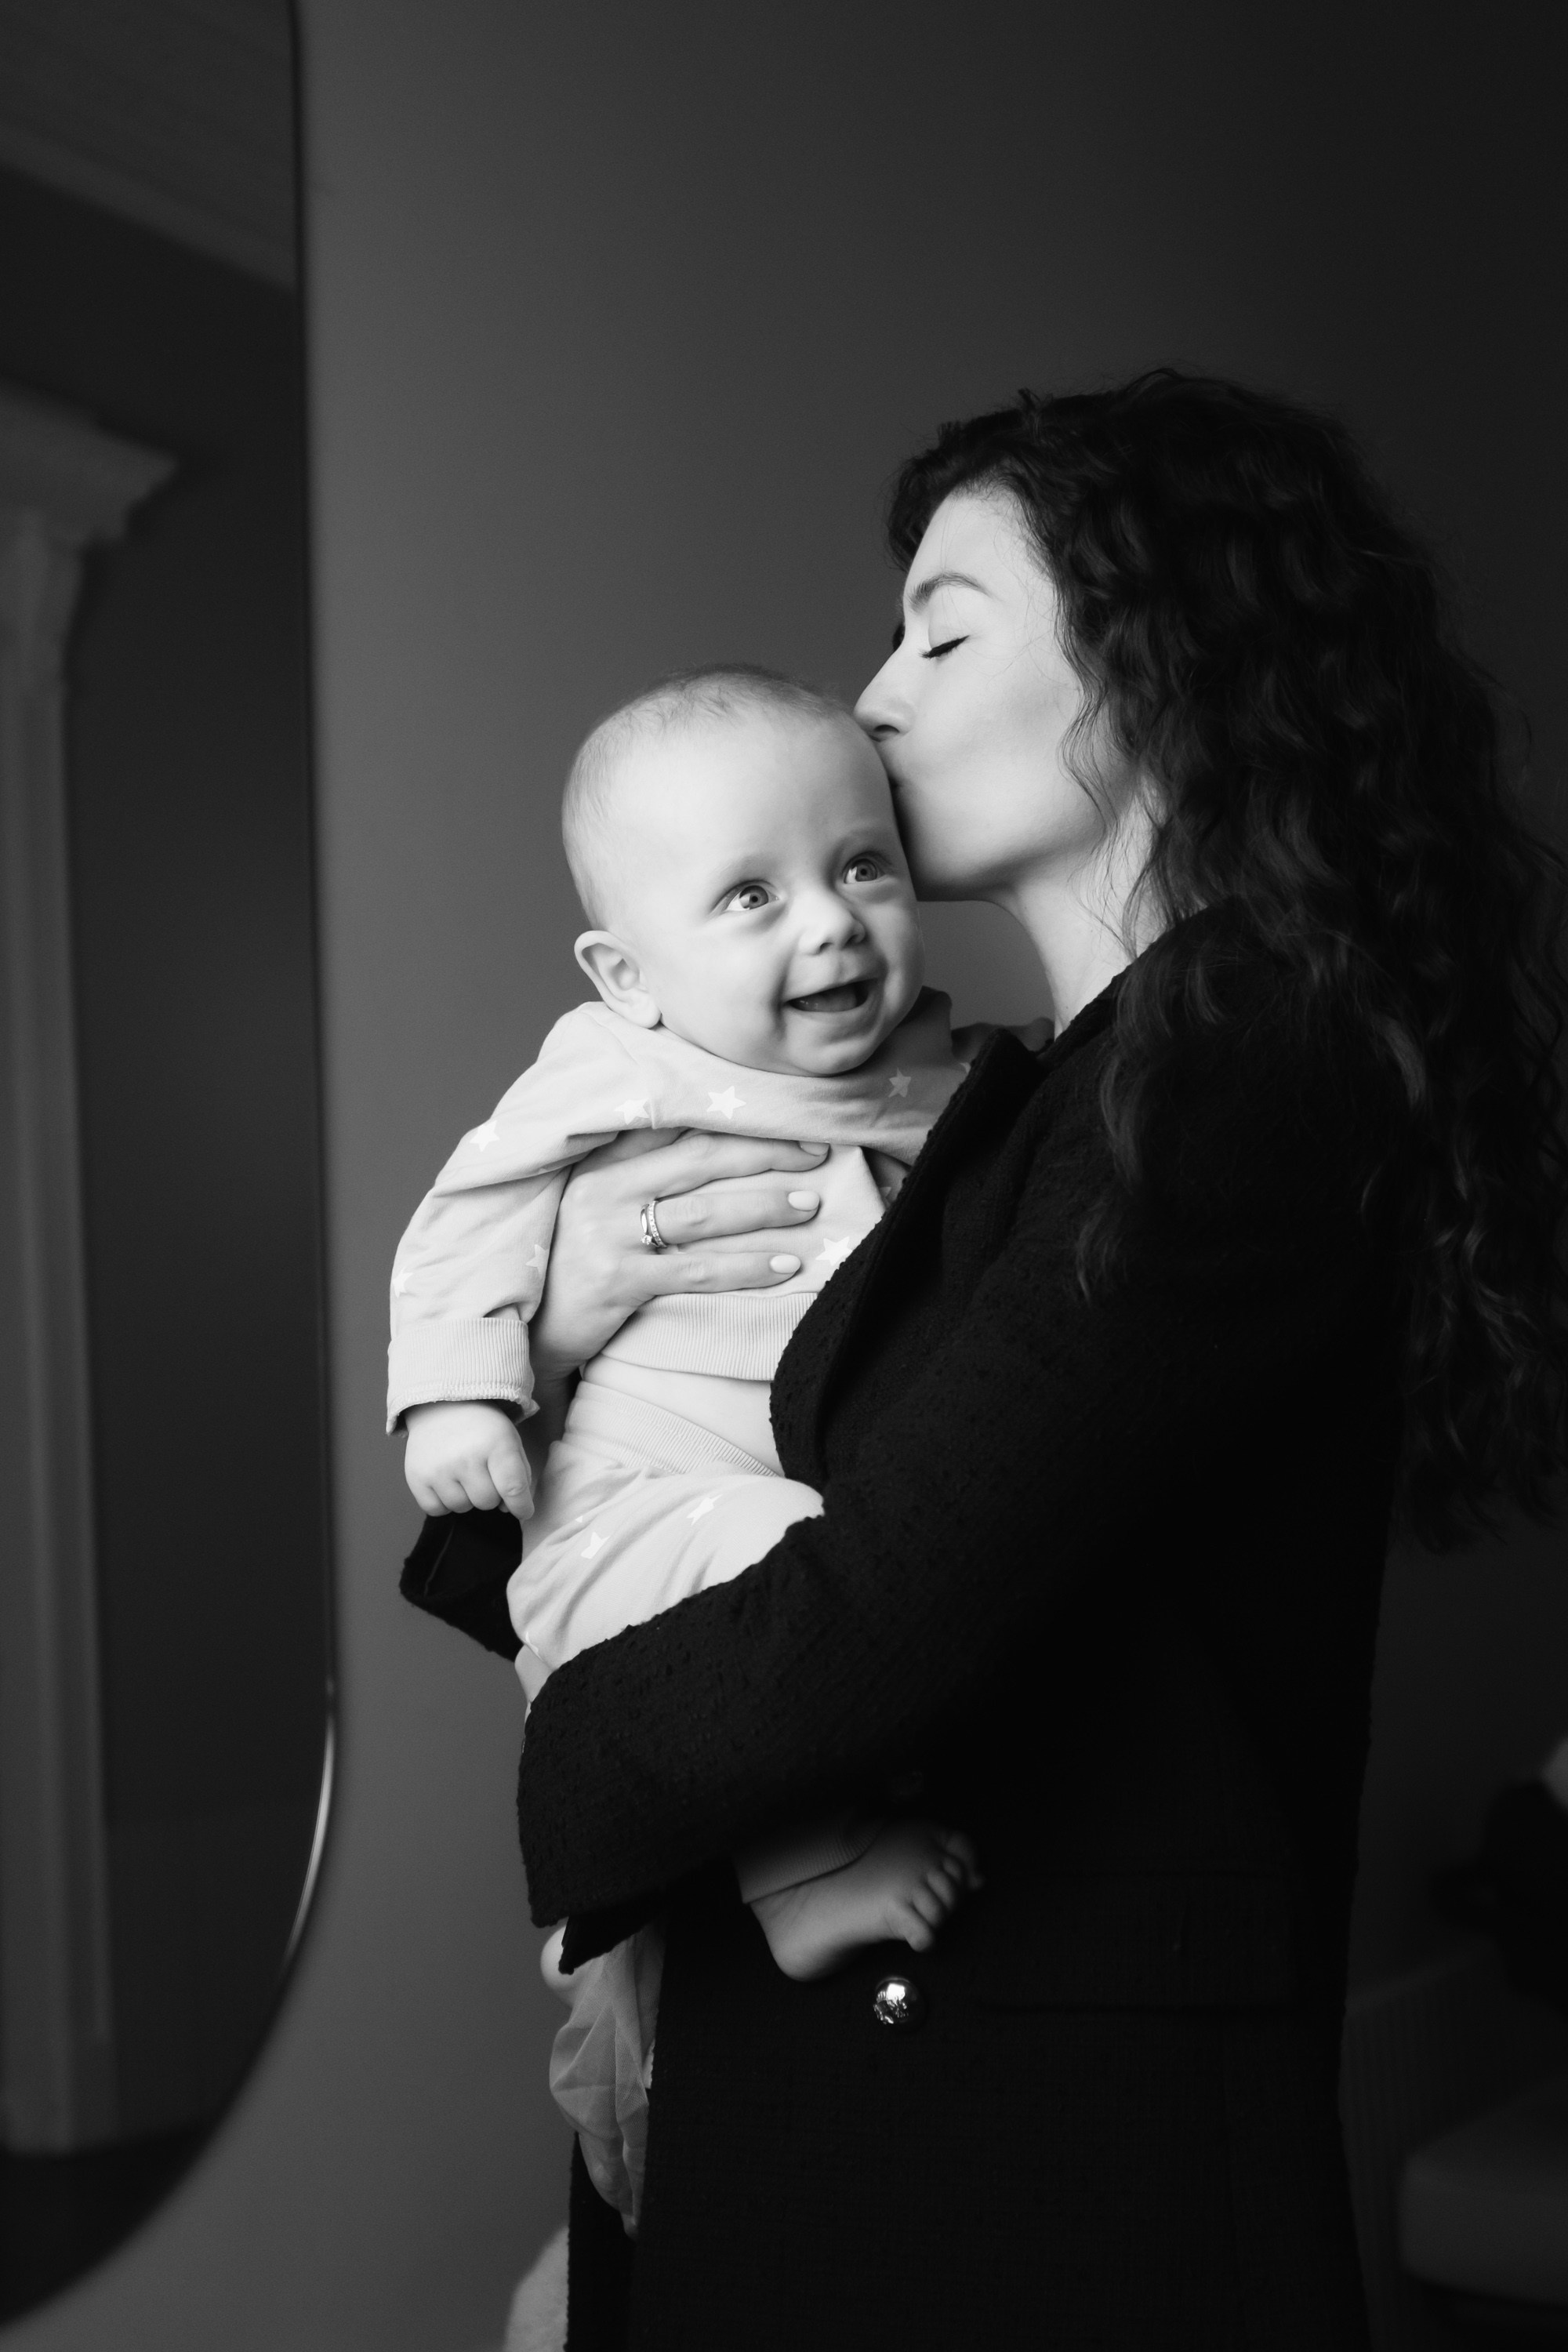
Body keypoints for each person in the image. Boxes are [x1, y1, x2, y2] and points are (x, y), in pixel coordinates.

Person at [422, 372, 1566, 2349]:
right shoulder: (1006, 1101)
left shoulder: (1233, 1059)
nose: (871, 692)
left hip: (1030, 2162)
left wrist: (575, 1755)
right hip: (893, 2105)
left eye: (941, 627)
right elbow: (735, 1492)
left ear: (1160, 654)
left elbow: (878, 1603)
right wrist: (560, 1325)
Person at [390, 667, 986, 2227]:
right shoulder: (617, 1066)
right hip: (629, 1518)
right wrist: (464, 1390)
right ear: (627, 970)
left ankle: (732, 1869)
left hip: (768, 1506)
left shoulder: (952, 1078)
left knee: (829, 1582)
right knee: (793, 1586)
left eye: (861, 864)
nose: (831, 922)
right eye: (751, 895)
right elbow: (468, 1216)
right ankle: (793, 1882)